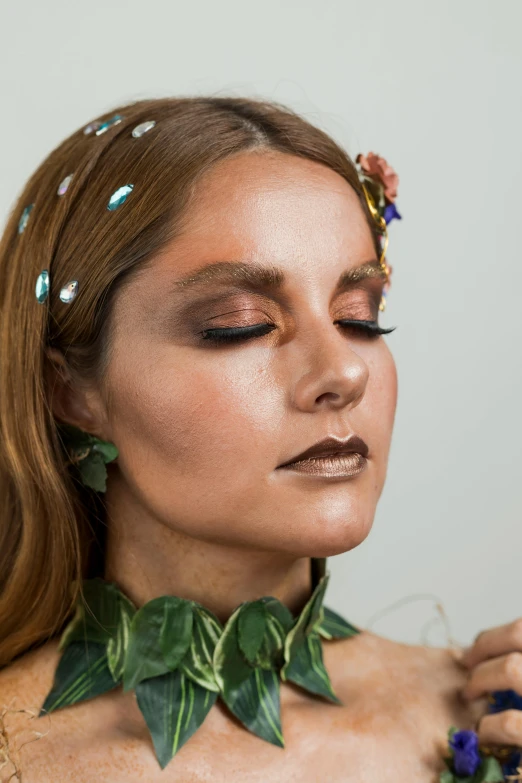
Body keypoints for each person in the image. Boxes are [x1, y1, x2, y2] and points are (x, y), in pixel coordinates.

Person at [0, 96, 520, 783]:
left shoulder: (493, 725)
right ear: (72, 392)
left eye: (360, 317)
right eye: (239, 324)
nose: (343, 371)